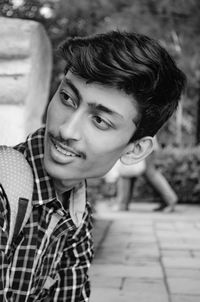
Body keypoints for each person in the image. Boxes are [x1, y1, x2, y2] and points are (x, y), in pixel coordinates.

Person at [0, 30, 186, 301]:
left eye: (99, 121)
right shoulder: (5, 195)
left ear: (135, 150)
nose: (67, 130)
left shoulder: (77, 216)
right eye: (67, 98)